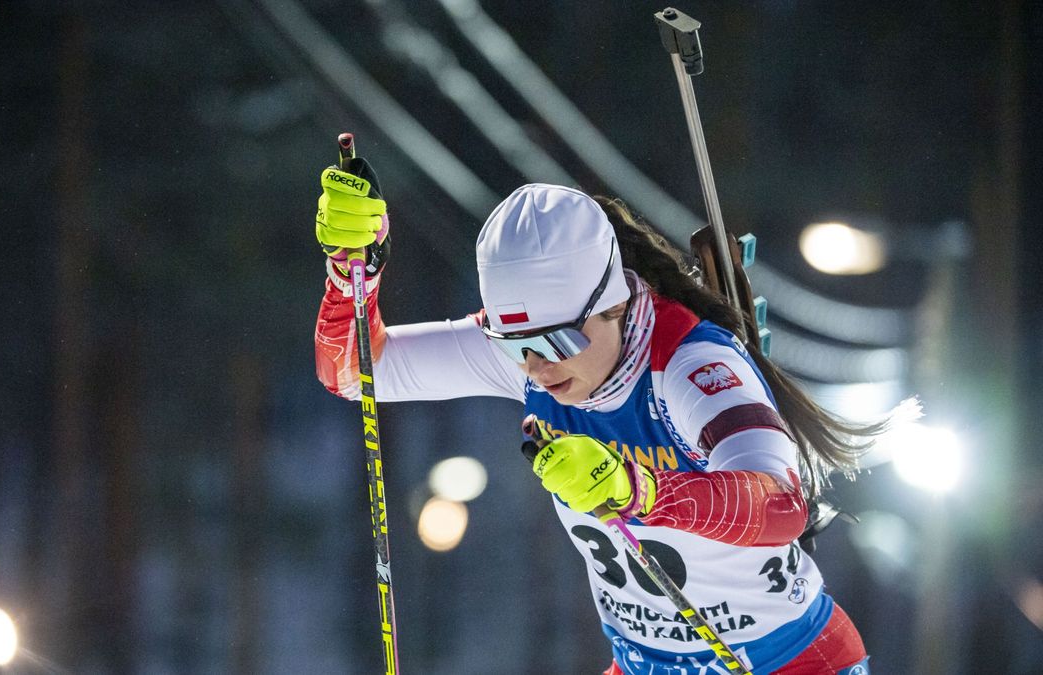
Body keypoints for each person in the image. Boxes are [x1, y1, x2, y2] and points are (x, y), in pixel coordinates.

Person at [314, 159, 880, 674]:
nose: (536, 367)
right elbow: (355, 374)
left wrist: (638, 490)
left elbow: (780, 505)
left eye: (558, 340)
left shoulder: (690, 364)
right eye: (513, 344)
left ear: (613, 304)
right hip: (644, 664)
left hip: (784, 662)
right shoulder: (535, 356)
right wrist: (351, 278)